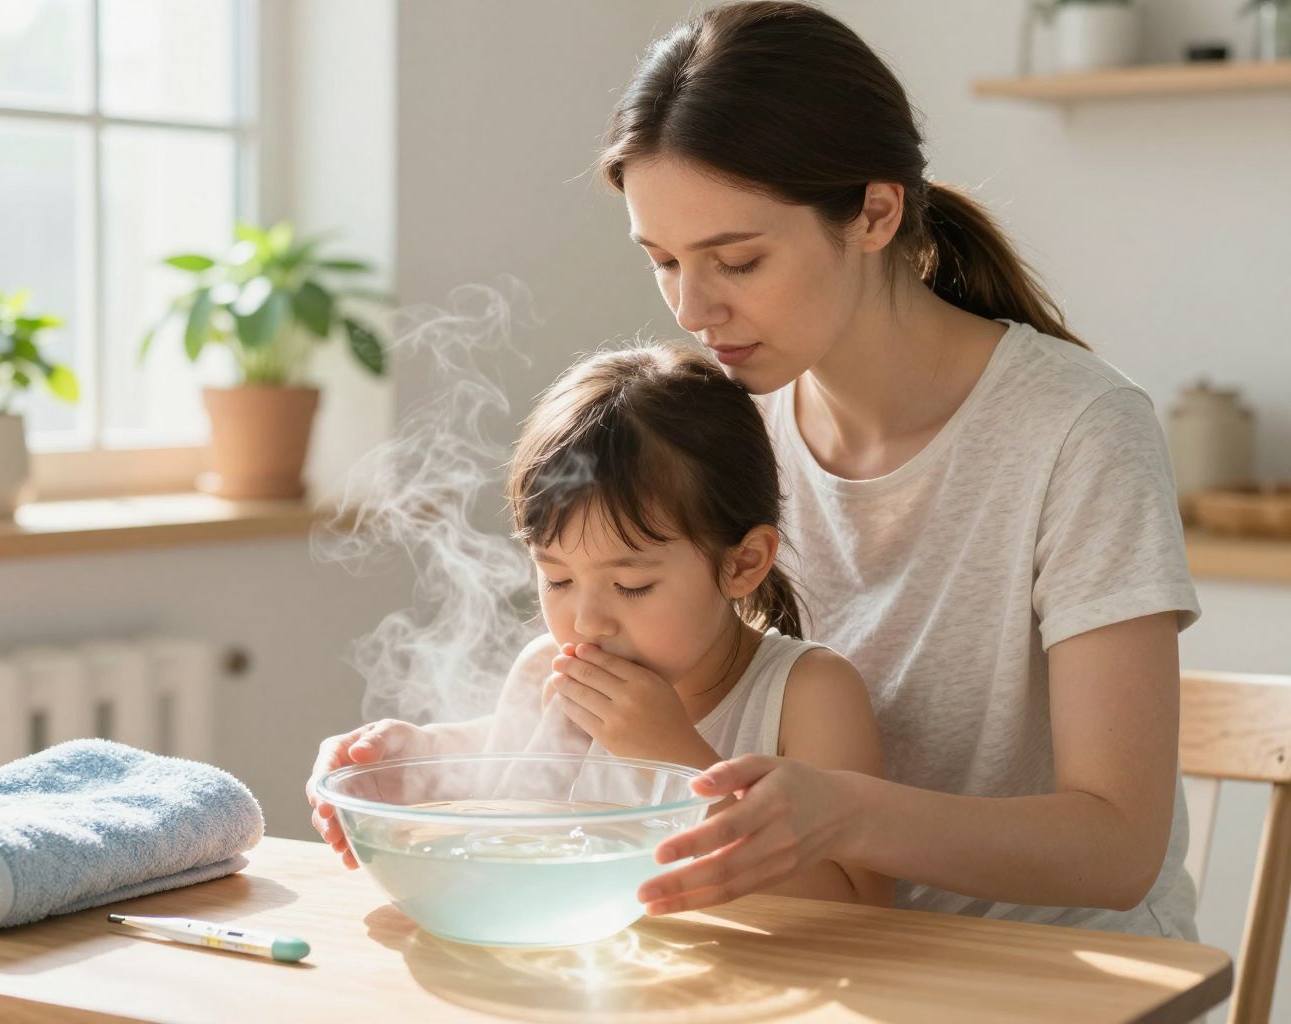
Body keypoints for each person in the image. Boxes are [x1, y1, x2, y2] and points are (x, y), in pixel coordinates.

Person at [595, 1, 1199, 938]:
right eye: (662, 260)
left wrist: (842, 813)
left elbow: (1119, 849)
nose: (691, 307)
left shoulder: (1078, 430)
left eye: (738, 260)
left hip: (1062, 983)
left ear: (875, 212)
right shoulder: (731, 431)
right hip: (839, 958)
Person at [309, 342, 892, 906]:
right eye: (557, 578)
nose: (585, 621)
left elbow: (864, 912)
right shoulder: (546, 670)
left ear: (742, 563)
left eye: (630, 585)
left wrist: (675, 760)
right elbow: (508, 793)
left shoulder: (809, 695)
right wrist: (411, 764)